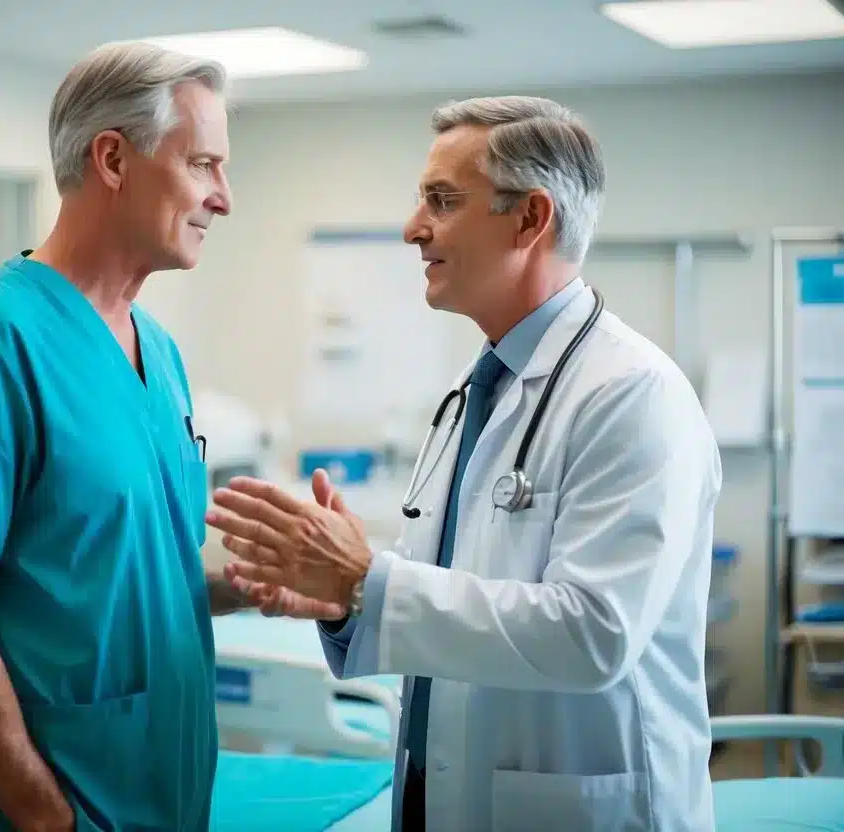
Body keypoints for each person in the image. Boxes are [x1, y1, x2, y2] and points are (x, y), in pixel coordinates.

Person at [205, 95, 722, 831]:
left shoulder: (633, 394)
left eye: (442, 202)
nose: (413, 228)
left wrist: (364, 579)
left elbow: (594, 632)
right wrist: (342, 598)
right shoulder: (474, 391)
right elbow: (451, 595)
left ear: (529, 218)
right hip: (442, 793)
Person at [0, 42, 338, 832]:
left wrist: (250, 584)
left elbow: (115, 579)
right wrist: (44, 816)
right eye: (202, 164)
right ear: (113, 159)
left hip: (160, 794)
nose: (223, 198)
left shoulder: (157, 352)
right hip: (40, 809)